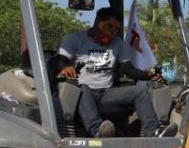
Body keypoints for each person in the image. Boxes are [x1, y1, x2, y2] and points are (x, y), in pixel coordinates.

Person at [56, 7, 164, 138]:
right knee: (82, 87)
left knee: (139, 91)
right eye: (109, 26)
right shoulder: (75, 39)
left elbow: (127, 69)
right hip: (83, 93)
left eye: (116, 28)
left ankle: (153, 132)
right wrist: (65, 67)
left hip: (106, 94)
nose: (113, 31)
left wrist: (148, 74)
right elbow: (60, 61)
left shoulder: (117, 44)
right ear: (97, 23)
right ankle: (98, 131)